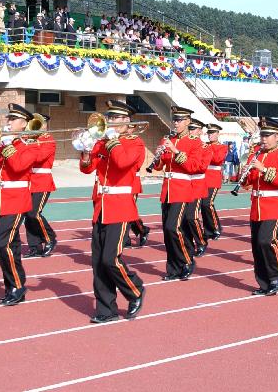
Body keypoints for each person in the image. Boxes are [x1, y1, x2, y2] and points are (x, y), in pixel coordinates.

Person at [78, 100, 146, 323]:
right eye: (110, 118)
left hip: (120, 206)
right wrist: (86, 152)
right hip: (101, 205)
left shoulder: (135, 144)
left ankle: (135, 289)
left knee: (110, 259)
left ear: (127, 122)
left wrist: (112, 141)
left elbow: (123, 162)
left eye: (115, 119)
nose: (110, 122)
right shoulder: (104, 141)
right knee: (98, 262)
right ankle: (106, 309)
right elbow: (88, 168)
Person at [0, 103, 41, 306]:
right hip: (3, 198)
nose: (8, 122)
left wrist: (8, 145)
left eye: (12, 119)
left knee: (1, 243)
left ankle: (17, 285)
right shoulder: (6, 144)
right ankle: (13, 286)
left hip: (17, 199)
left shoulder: (30, 145)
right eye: (8, 119)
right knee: (11, 246)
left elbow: (18, 166)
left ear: (23, 124)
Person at [238, 119, 278, 296]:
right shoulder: (256, 154)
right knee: (256, 245)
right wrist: (245, 174)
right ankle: (263, 281)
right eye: (262, 134)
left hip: (275, 205)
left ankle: (277, 276)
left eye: (268, 135)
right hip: (257, 205)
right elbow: (247, 183)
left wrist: (263, 170)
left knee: (266, 241)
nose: (264, 139)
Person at [152, 106, 203, 281]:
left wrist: (175, 151)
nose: (176, 123)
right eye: (175, 120)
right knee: (167, 233)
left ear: (188, 121)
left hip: (182, 188)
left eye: (180, 120)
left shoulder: (195, 142)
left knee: (172, 227)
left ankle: (187, 260)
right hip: (167, 188)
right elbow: (159, 166)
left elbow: (193, 167)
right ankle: (173, 268)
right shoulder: (166, 139)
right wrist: (158, 157)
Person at [24, 114, 57, 258]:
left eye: (40, 123)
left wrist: (29, 143)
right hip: (28, 181)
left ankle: (50, 238)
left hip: (42, 181)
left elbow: (38, 158)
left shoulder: (48, 139)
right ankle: (34, 247)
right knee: (28, 215)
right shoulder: (29, 139)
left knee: (34, 213)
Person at [184, 119, 209, 256]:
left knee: (191, 217)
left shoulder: (205, 147)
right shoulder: (185, 145)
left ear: (200, 131)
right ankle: (188, 245)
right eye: (190, 128)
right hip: (183, 185)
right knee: (182, 219)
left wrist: (186, 162)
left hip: (197, 184)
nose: (191, 131)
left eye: (193, 129)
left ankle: (201, 241)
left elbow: (202, 167)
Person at [201, 124, 227, 240]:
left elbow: (217, 159)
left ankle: (216, 228)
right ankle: (208, 230)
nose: (210, 135)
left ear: (217, 134)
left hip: (213, 179)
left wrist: (207, 150)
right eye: (208, 133)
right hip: (203, 178)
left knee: (208, 204)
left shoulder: (222, 147)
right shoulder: (205, 146)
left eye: (212, 133)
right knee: (202, 205)